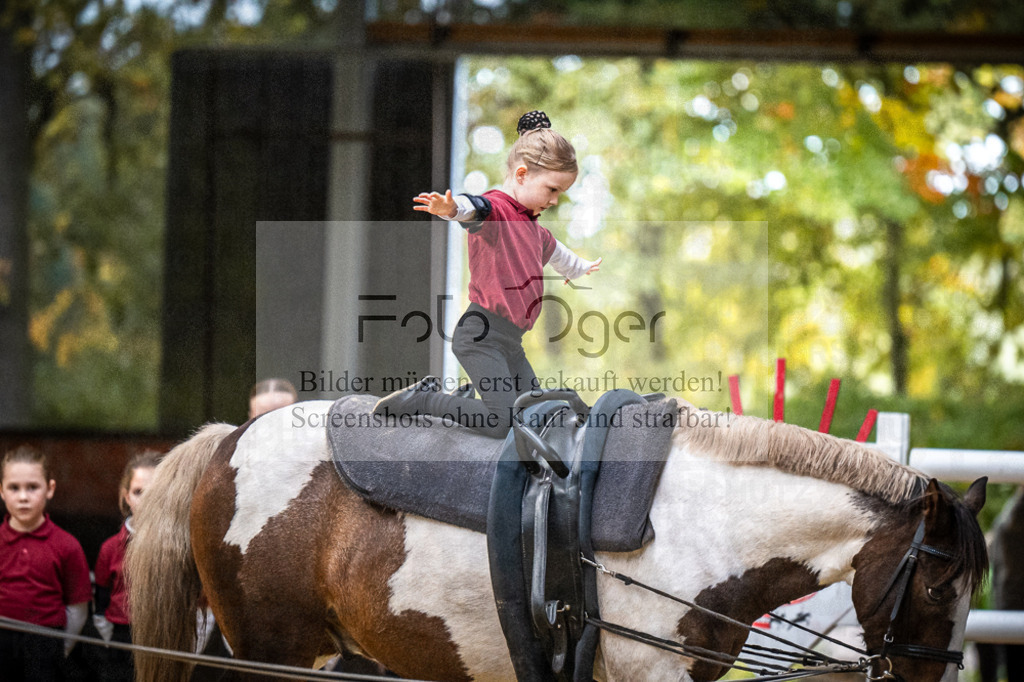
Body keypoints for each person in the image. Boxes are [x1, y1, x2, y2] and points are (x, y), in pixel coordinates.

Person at [374, 110, 601, 438]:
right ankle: (425, 400)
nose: (554, 200)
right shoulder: (497, 211)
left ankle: (463, 404)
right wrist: (452, 209)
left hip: (510, 340)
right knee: (501, 421)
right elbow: (474, 207)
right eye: (552, 190)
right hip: (480, 335)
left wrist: (581, 268)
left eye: (559, 194)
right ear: (521, 174)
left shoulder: (534, 230)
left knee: (537, 415)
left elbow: (561, 255)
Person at [0, 446, 92, 681]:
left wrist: (60, 648)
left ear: (50, 489)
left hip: (46, 647)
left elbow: (78, 608)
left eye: (32, 487)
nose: (23, 497)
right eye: (14, 488)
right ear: (1, 491)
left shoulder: (67, 545)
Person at [91, 450, 162, 682]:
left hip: (164, 636)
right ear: (126, 496)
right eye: (139, 492)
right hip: (122, 637)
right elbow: (100, 599)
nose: (146, 500)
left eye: (154, 492)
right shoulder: (110, 548)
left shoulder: (178, 548)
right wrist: (110, 636)